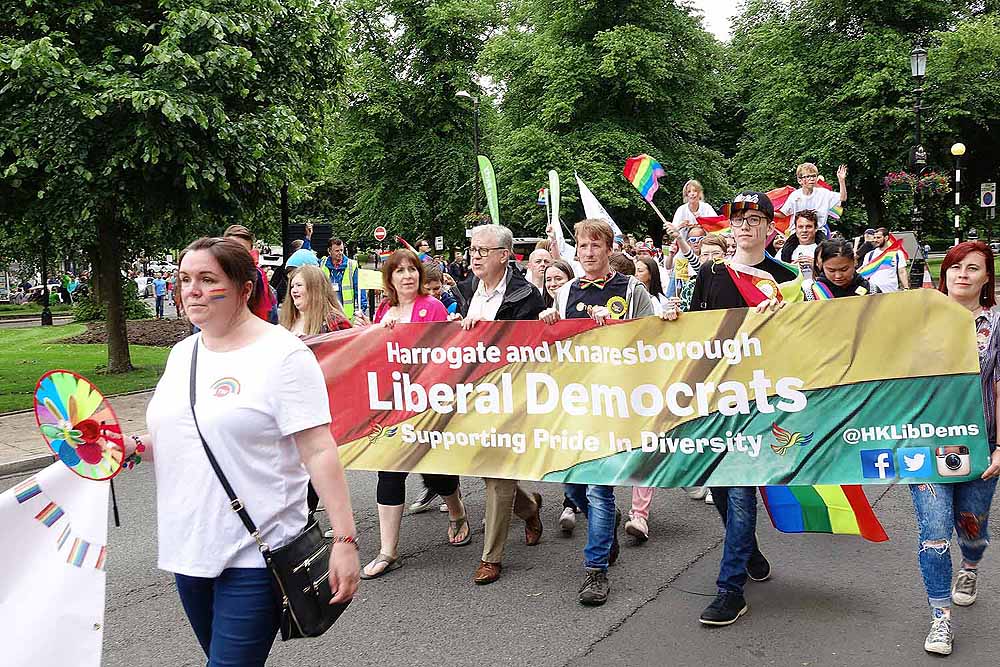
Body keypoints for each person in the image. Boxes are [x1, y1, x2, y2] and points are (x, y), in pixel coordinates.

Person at [131, 236, 359, 665]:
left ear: (244, 288)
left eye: (207, 279)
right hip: (190, 548)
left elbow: (318, 449)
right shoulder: (183, 354)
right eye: (184, 279)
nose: (191, 290)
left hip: (257, 551)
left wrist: (345, 540)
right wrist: (125, 447)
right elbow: (178, 438)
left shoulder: (282, 355)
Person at [687, 192, 794, 626]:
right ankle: (746, 550)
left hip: (759, 396)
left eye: (754, 219)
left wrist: (779, 315)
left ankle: (730, 589)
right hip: (714, 394)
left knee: (741, 484)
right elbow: (696, 328)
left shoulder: (785, 277)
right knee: (718, 486)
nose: (745, 227)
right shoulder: (712, 272)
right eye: (739, 220)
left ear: (770, 227)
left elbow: (801, 337)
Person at [539, 219, 657, 605]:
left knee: (598, 487)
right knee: (574, 485)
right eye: (582, 246)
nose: (588, 252)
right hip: (576, 399)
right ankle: (605, 538)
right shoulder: (567, 290)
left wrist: (624, 328)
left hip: (615, 400)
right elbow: (554, 344)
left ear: (609, 250)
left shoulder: (631, 288)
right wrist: (549, 322)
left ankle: (595, 572)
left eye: (595, 246)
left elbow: (653, 339)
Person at [911, 240, 1000, 655]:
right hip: (925, 445)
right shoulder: (914, 321)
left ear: (986, 279)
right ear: (943, 274)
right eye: (955, 266)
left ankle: (969, 568)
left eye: (974, 268)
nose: (963, 273)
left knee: (972, 528)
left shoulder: (995, 325)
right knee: (933, 534)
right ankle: (940, 617)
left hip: (980, 445)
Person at [362, 250, 470, 578]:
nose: (408, 276)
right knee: (389, 472)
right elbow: (377, 353)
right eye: (400, 271)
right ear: (390, 278)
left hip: (428, 401)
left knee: (434, 470)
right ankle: (387, 550)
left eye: (412, 270)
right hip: (394, 403)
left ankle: (457, 511)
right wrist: (376, 331)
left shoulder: (432, 306)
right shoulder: (384, 309)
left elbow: (446, 349)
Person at [453, 224, 545, 586]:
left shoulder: (527, 296)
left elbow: (531, 348)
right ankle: (530, 508)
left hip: (509, 394)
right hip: (471, 393)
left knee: (498, 470)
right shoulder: (464, 291)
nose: (474, 256)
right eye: (472, 249)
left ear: (504, 255)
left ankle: (491, 557)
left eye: (482, 250)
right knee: (484, 467)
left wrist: (488, 330)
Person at [223, 224, 279, 324]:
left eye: (243, 251)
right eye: (232, 249)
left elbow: (271, 329)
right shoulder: (211, 284)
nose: (237, 256)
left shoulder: (266, 290)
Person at [779, 163, 848, 232]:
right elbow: (783, 214)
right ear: (799, 180)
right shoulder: (794, 196)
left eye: (814, 176)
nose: (811, 179)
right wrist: (768, 212)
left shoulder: (824, 193)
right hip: (797, 232)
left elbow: (842, 198)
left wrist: (841, 180)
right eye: (808, 176)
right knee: (789, 243)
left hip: (818, 231)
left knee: (827, 243)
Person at [803, 239, 879, 300]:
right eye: (831, 270)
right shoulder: (812, 294)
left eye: (844, 269)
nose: (838, 276)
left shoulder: (872, 291)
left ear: (855, 262)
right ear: (821, 266)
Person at [320, 237, 367, 321]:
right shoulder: (322, 264)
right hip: (327, 315)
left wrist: (362, 310)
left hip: (347, 316)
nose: (340, 253)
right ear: (329, 251)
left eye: (341, 250)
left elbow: (359, 289)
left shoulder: (351, 265)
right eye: (337, 251)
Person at [861, 227, 908, 293]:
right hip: (874, 292)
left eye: (878, 238)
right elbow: (864, 273)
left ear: (886, 238)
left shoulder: (897, 253)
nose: (875, 240)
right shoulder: (869, 255)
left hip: (891, 292)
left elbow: (902, 271)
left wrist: (906, 287)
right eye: (874, 238)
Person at [779, 209, 823, 278]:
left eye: (808, 226)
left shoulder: (826, 250)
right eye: (800, 227)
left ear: (816, 228)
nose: (804, 230)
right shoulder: (783, 251)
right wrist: (790, 268)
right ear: (795, 229)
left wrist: (816, 267)